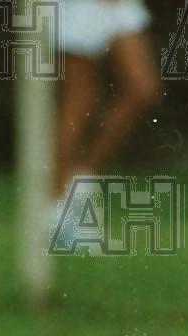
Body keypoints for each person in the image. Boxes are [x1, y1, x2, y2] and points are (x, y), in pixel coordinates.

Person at [53, 0, 161, 201]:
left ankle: (82, 180)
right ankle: (56, 199)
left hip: (119, 5)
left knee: (142, 89)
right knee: (81, 98)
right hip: (80, 6)